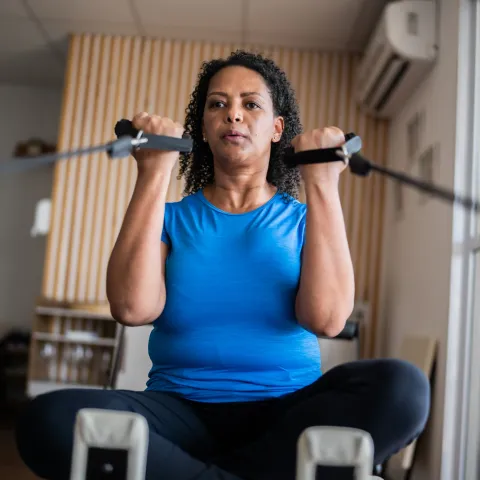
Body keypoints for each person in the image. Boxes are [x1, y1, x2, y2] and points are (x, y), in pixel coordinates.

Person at [15, 50, 430, 480]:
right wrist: (154, 173)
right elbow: (132, 309)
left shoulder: (305, 220)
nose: (233, 114)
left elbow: (325, 319)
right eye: (218, 104)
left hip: (285, 416)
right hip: (178, 413)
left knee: (404, 389)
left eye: (250, 104)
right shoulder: (170, 218)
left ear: (276, 129)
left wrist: (322, 183)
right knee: (46, 419)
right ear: (203, 129)